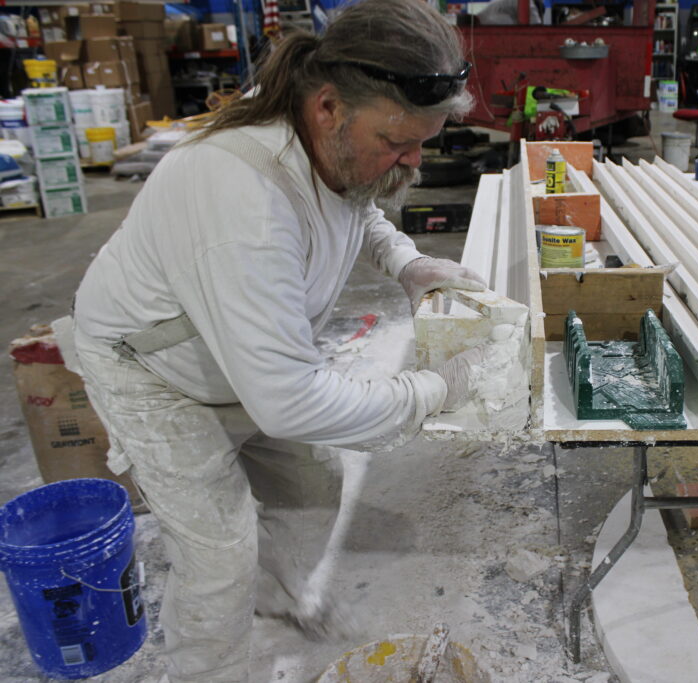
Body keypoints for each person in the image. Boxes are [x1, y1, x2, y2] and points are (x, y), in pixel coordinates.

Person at [66, 1, 489, 680]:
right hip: (152, 369)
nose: (412, 158)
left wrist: (407, 261)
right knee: (218, 556)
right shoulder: (243, 198)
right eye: (398, 141)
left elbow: (359, 204)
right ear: (328, 107)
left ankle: (277, 600)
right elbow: (290, 402)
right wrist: (434, 391)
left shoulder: (333, 131)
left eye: (423, 140)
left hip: (240, 352)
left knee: (313, 484)